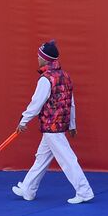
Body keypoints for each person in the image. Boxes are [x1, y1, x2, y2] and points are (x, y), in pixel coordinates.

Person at [10, 40, 94, 205]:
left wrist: (23, 120)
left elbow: (36, 103)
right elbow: (71, 102)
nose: (37, 58)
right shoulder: (65, 76)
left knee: (68, 160)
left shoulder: (45, 79)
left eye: (39, 56)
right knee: (41, 158)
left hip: (51, 126)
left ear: (45, 59)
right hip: (58, 125)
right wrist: (72, 124)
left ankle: (84, 191)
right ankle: (28, 188)